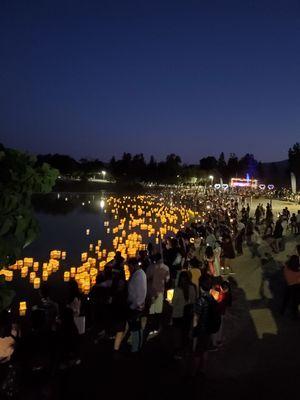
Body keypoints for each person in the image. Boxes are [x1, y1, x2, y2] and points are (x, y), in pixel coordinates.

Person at [172, 271, 197, 358]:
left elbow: (174, 303)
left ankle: (178, 351)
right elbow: (194, 301)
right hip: (187, 315)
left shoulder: (177, 290)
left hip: (178, 315)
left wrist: (170, 302)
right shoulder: (192, 288)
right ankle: (186, 350)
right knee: (185, 333)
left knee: (178, 335)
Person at [144, 253, 170, 339]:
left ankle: (151, 327)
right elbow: (167, 280)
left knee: (151, 311)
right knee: (158, 310)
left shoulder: (150, 268)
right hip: (160, 291)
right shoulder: (165, 268)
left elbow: (146, 278)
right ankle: (156, 327)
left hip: (151, 291)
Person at [127, 257, 147, 353]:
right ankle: (137, 346)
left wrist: (133, 305)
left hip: (136, 306)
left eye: (129, 266)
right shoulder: (140, 273)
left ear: (133, 265)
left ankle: (136, 348)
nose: (128, 269)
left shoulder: (138, 275)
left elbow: (139, 293)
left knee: (136, 328)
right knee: (136, 327)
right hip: (137, 305)